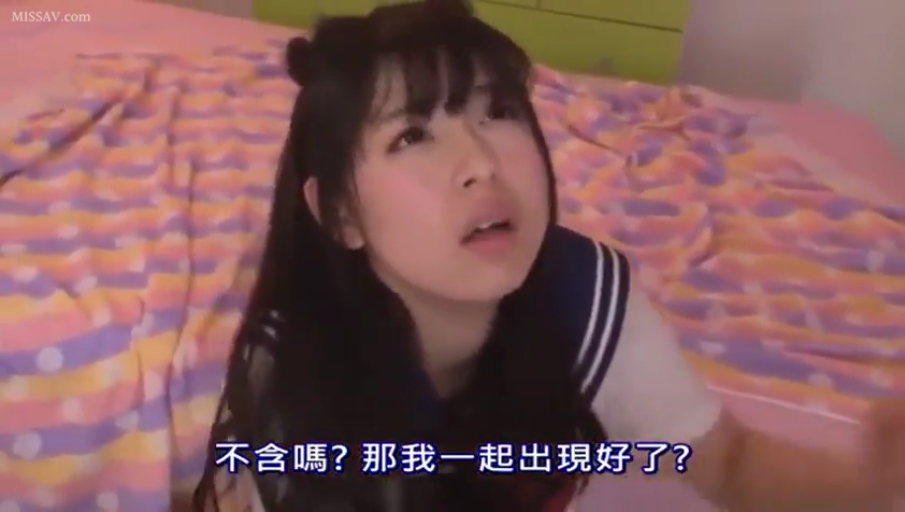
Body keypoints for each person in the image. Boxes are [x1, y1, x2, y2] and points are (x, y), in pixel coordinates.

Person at [190, 1, 905, 511]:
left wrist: (868, 490)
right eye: (412, 135)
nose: (481, 162)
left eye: (499, 112)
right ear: (340, 214)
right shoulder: (295, 373)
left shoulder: (587, 300)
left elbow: (727, 461)